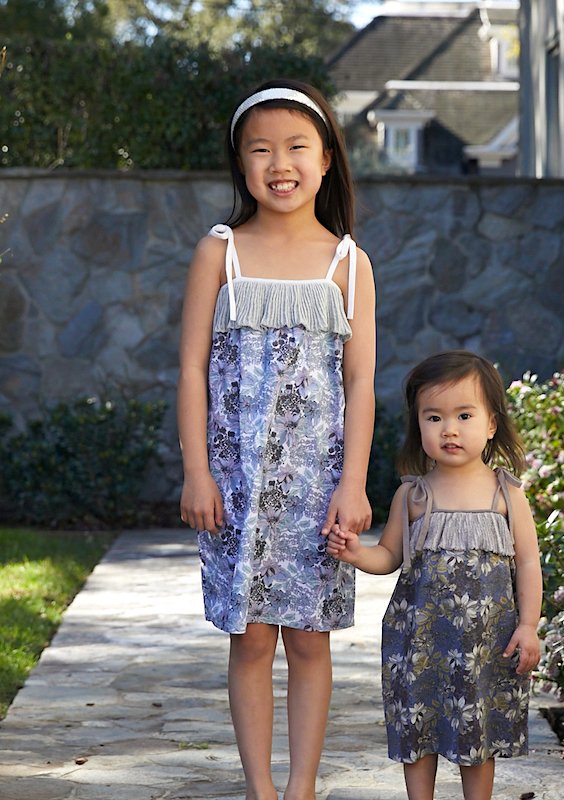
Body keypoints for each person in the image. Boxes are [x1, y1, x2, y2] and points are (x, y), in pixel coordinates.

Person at [177, 78, 376, 800]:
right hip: (235, 487)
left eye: (296, 147)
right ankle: (260, 788)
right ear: (241, 163)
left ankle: (301, 789)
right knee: (252, 637)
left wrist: (353, 484)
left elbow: (360, 384)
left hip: (315, 489)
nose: (279, 163)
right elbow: (193, 371)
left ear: (326, 160)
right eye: (260, 150)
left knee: (308, 638)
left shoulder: (347, 263)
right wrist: (196, 471)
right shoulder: (219, 253)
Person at [326, 350, 542, 800]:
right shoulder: (414, 494)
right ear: (418, 425)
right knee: (418, 727)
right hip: (420, 641)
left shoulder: (506, 493)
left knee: (477, 735)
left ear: (490, 424)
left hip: (486, 644)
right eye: (434, 417)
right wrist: (355, 554)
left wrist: (528, 625)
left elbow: (527, 562)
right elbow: (389, 556)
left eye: (464, 415)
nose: (449, 429)